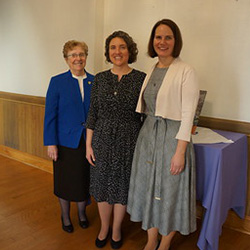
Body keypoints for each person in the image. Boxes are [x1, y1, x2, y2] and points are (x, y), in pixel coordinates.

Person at [127, 19, 199, 250]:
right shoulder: (152, 69)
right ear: (152, 41)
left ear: (175, 41)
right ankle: (150, 240)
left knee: (170, 193)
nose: (162, 42)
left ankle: (165, 243)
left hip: (172, 139)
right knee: (148, 190)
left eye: (168, 37)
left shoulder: (186, 70)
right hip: (148, 137)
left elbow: (188, 114)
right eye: (158, 37)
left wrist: (180, 152)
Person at [86, 31, 146, 249]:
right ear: (108, 52)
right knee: (102, 186)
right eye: (113, 47)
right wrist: (88, 145)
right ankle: (104, 227)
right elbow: (92, 113)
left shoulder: (141, 78)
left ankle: (117, 228)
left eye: (122, 47)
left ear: (130, 50)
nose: (117, 51)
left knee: (121, 188)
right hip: (101, 140)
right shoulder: (100, 78)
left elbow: (146, 114)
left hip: (130, 141)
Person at [44, 40, 94, 233]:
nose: (78, 58)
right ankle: (65, 216)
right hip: (64, 142)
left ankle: (82, 213)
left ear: (86, 57)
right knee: (64, 181)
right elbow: (50, 115)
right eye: (73, 55)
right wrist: (51, 143)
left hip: (88, 142)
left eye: (81, 54)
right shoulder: (57, 82)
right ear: (66, 59)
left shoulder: (95, 80)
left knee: (83, 180)